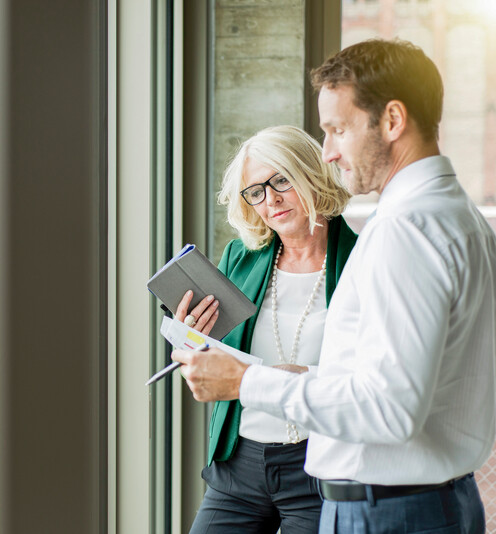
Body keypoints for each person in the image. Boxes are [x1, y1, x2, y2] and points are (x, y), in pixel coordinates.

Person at [173, 38, 496, 533]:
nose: (328, 152)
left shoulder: (405, 231)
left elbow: (388, 407)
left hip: (389, 511)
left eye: (337, 129)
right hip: (414, 501)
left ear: (391, 120)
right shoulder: (457, 217)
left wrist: (245, 381)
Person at [176, 124, 356, 533]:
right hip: (240, 463)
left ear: (312, 174)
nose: (270, 199)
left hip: (320, 467)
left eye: (281, 181)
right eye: (255, 191)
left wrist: (305, 377)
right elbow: (212, 352)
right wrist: (193, 334)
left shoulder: (360, 259)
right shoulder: (240, 257)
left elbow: (373, 375)